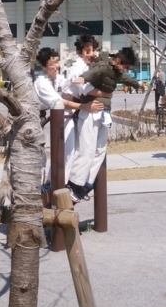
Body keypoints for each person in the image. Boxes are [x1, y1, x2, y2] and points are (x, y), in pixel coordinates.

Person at [66, 47, 137, 201]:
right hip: (91, 110)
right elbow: (93, 73)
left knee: (100, 150)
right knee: (87, 148)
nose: (125, 69)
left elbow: (125, 78)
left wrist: (137, 84)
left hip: (104, 112)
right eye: (125, 66)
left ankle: (86, 184)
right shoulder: (103, 64)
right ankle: (74, 183)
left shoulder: (117, 71)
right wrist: (83, 79)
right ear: (119, 60)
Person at [34, 48, 103, 191]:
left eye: (57, 62)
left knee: (68, 149)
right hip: (34, 119)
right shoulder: (41, 81)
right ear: (43, 67)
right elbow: (59, 102)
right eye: (52, 63)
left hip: (58, 115)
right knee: (43, 157)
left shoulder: (59, 77)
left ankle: (58, 182)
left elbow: (71, 88)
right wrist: (84, 106)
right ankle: (51, 185)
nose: (56, 66)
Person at [62, 35, 101, 165]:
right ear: (79, 52)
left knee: (74, 150)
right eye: (88, 51)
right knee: (68, 151)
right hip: (67, 111)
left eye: (94, 50)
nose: (92, 54)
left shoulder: (87, 66)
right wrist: (107, 94)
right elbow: (87, 90)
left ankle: (60, 182)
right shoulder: (78, 67)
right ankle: (52, 183)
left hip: (75, 110)